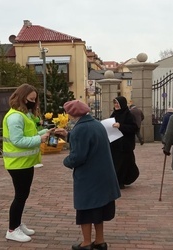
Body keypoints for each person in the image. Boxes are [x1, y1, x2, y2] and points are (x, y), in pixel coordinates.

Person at [55, 100, 121, 250]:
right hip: (103, 175)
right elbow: (89, 140)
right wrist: (68, 135)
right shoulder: (97, 124)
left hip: (89, 178)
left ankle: (86, 243)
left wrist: (66, 161)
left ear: (72, 114)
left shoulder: (80, 129)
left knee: (86, 210)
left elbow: (78, 156)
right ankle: (100, 241)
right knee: (99, 209)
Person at [2, 83, 51, 242]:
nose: (33, 102)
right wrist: (39, 139)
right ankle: (12, 229)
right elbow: (18, 140)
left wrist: (45, 132)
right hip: (18, 163)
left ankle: (17, 223)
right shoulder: (15, 116)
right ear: (22, 97)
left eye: (34, 99)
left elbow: (30, 133)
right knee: (20, 196)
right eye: (30, 99)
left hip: (24, 162)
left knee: (23, 195)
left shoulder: (23, 114)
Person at [110, 96, 139, 189]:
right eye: (115, 103)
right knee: (115, 163)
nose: (116, 105)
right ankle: (116, 181)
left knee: (124, 163)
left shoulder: (128, 115)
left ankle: (121, 181)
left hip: (125, 144)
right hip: (115, 144)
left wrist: (121, 126)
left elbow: (134, 128)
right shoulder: (114, 114)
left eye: (118, 103)